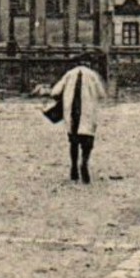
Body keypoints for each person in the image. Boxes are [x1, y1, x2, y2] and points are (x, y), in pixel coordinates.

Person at [48, 55, 106, 184]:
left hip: (72, 113)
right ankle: (84, 162)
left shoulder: (69, 74)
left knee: (73, 141)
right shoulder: (92, 75)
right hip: (87, 113)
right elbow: (102, 94)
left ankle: (74, 168)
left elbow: (54, 92)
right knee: (87, 140)